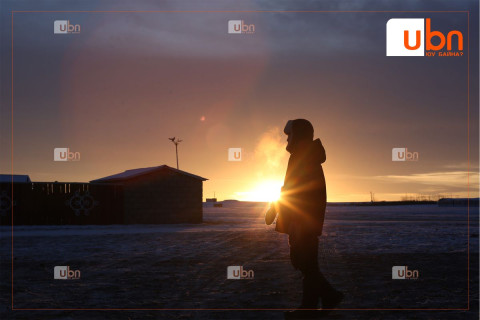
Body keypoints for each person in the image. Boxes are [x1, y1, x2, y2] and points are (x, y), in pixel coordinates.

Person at [265, 119, 343, 319]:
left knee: (305, 263)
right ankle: (313, 306)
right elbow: (290, 188)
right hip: (301, 221)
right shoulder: (305, 155)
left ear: (298, 135)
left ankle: (324, 299)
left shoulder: (304, 157)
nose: (288, 139)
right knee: (307, 265)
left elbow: (299, 192)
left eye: (290, 135)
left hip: (302, 221)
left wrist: (296, 221)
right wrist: (276, 207)